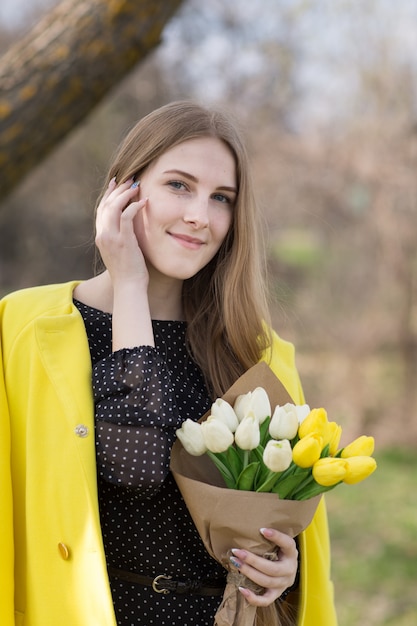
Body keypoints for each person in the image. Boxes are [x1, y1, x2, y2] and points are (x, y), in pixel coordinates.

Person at [0, 101, 337, 626]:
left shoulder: (256, 351)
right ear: (123, 190)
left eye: (221, 198)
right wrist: (129, 283)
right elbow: (134, 468)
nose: (200, 215)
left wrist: (280, 568)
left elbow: (278, 535)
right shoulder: (21, 327)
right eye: (179, 185)